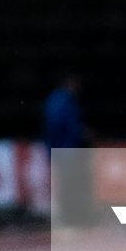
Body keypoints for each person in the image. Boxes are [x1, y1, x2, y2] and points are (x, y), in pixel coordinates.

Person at [43, 71, 93, 226]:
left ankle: (69, 220)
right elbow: (61, 125)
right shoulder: (62, 100)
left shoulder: (58, 100)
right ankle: (68, 220)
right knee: (67, 187)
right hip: (65, 150)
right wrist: (81, 132)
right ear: (69, 82)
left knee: (66, 186)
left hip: (61, 150)